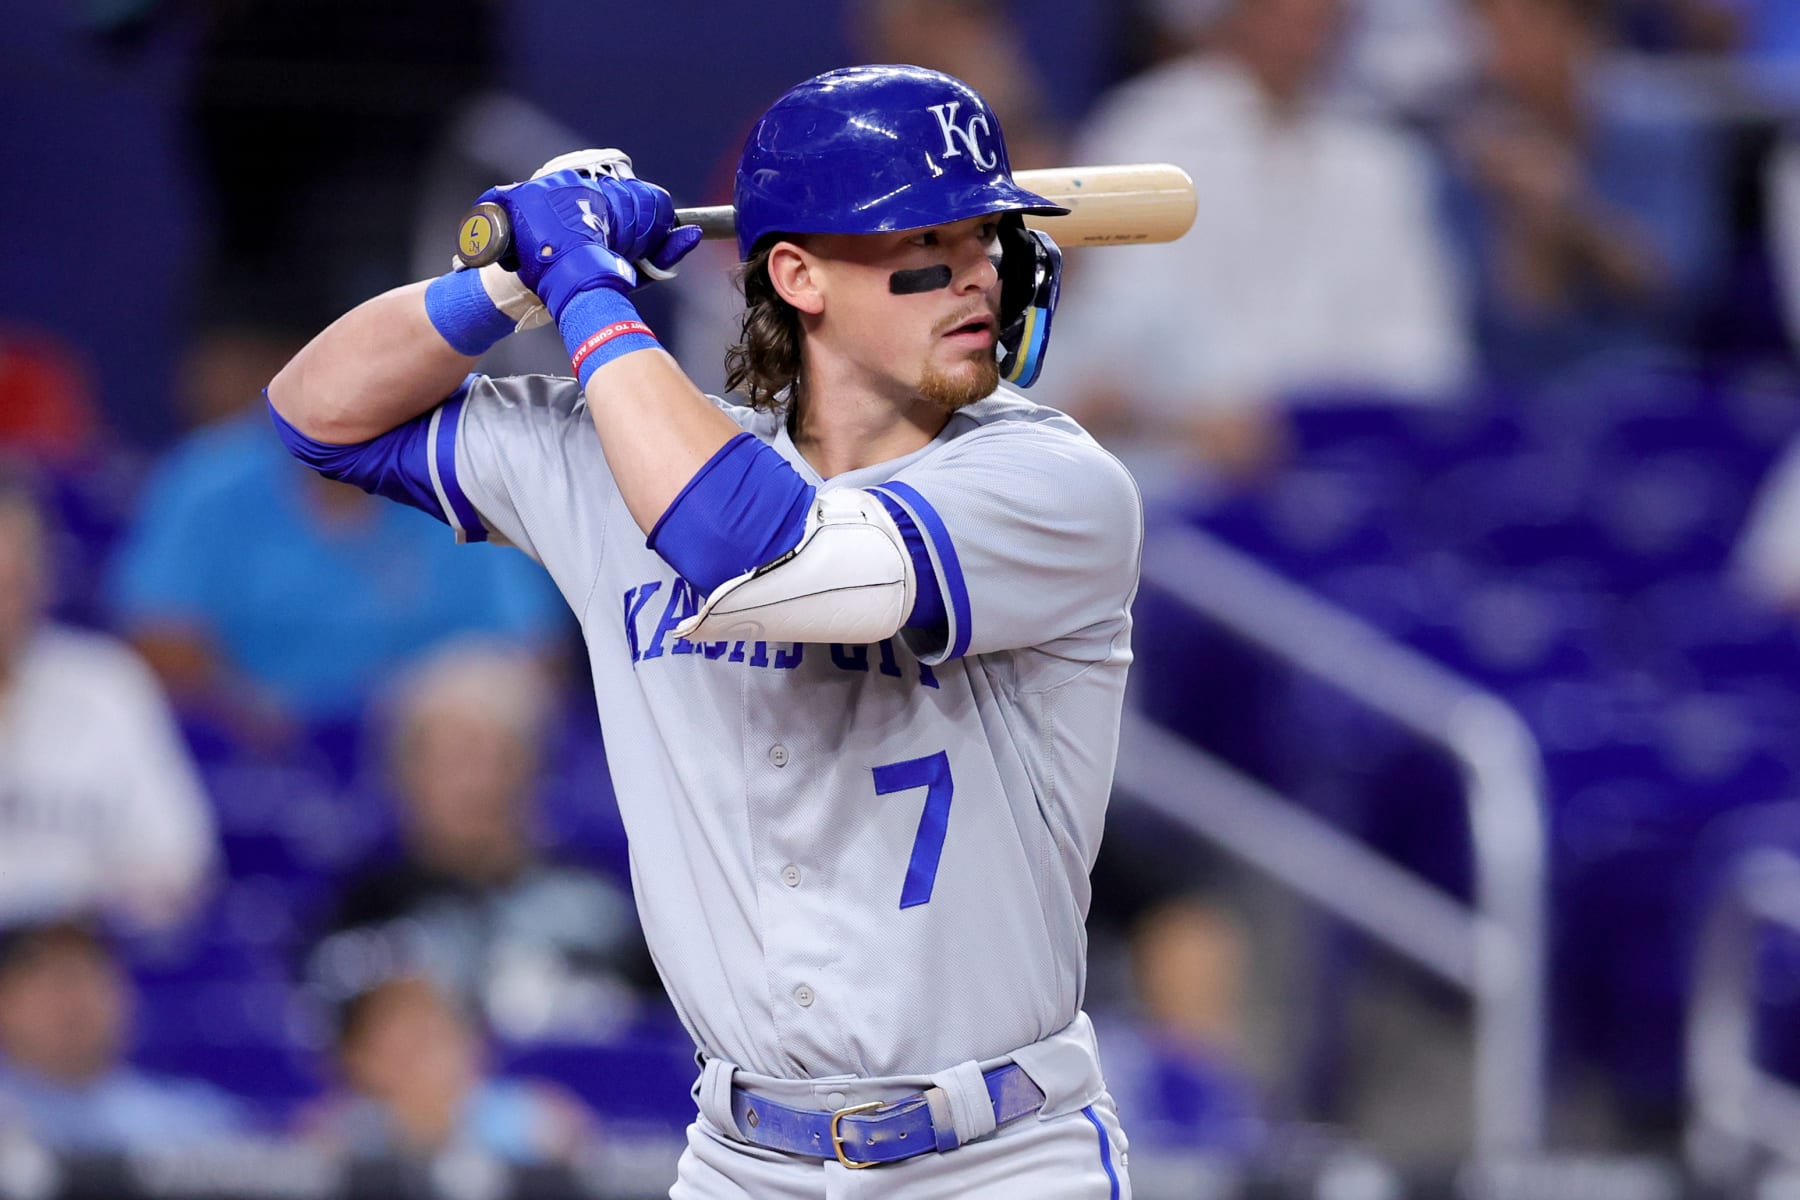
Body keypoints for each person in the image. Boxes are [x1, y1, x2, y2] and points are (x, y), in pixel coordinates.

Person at [267, 64, 1140, 1198]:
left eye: (985, 236)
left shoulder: (1048, 481)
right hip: (743, 1159)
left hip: (998, 1156)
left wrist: (586, 284)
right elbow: (316, 415)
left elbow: (756, 548)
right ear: (797, 274)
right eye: (925, 239)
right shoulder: (622, 459)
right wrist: (505, 287)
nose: (975, 276)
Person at [1043, 0, 1472, 490]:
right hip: (1183, 471)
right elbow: (1113, 337)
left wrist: (1321, 428)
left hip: (1351, 468)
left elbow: (1426, 357)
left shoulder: (1381, 160)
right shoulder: (1145, 131)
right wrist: (1192, 416)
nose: (1303, 22)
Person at [309, 638, 658, 1042]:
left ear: (534, 770)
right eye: (448, 760)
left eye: (493, 758)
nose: (474, 783)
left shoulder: (600, 907)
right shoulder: (359, 911)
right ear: (403, 774)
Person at [0, 473, 218, 932]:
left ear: (42, 581)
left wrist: (59, 909)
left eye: (13, 583)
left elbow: (180, 862)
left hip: (78, 957)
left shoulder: (108, 684)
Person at [0, 917, 251, 1151]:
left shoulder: (197, 1118)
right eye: (53, 982)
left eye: (89, 975)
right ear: (6, 1002)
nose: (74, 1002)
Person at [299, 971, 593, 1165]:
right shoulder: (338, 1134)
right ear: (360, 1059)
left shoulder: (533, 1120)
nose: (431, 1057)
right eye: (409, 1044)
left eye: (439, 1033)